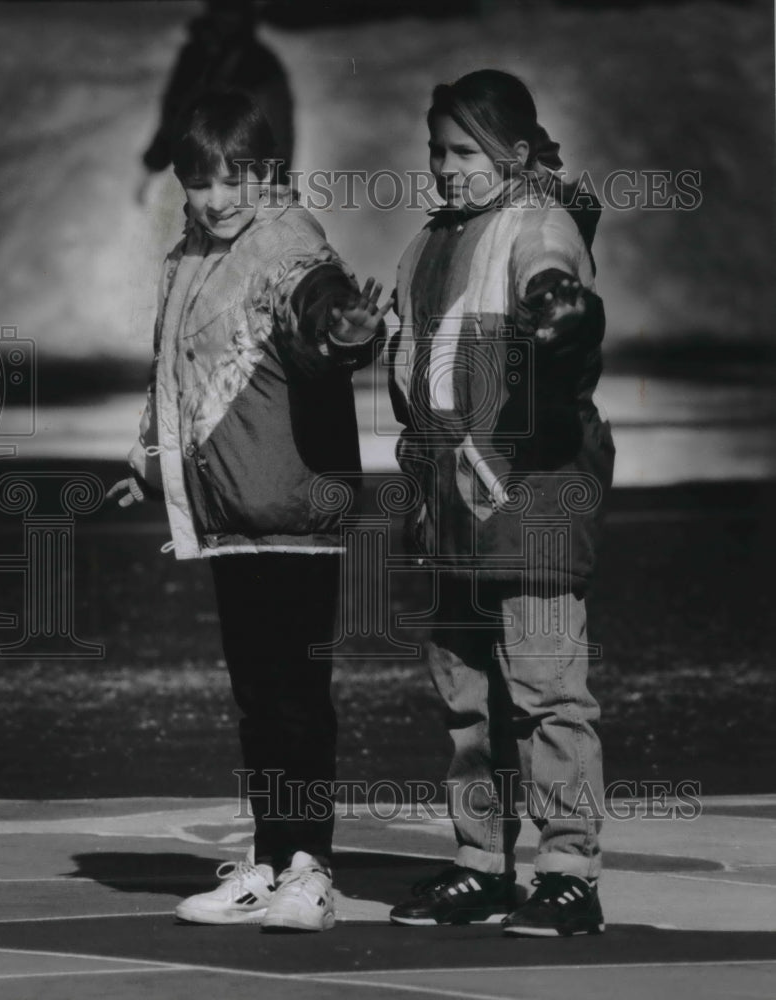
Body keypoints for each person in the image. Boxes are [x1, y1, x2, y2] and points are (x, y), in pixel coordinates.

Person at [108, 90, 388, 932]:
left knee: (296, 696)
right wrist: (151, 461)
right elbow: (181, 373)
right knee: (260, 696)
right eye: (200, 183)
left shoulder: (288, 245)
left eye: (236, 180)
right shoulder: (189, 255)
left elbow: (317, 313)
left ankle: (310, 869)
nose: (217, 199)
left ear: (268, 174)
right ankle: (269, 860)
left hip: (294, 510)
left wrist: (347, 331)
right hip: (234, 512)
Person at [386, 70, 615, 936]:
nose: (446, 167)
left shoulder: (535, 222)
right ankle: (482, 862)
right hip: (452, 510)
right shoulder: (428, 244)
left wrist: (562, 306)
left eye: (464, 151)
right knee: (468, 699)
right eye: (436, 151)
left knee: (547, 692)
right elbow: (418, 372)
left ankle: (569, 870)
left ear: (514, 154)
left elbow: (552, 280)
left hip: (533, 498)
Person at [136, 0, 293, 203]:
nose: (226, 18)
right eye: (221, 8)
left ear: (246, 15)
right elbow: (173, 112)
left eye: (234, 11)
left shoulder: (263, 65)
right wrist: (153, 167)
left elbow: (278, 130)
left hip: (238, 179)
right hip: (189, 174)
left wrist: (274, 187)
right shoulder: (193, 56)